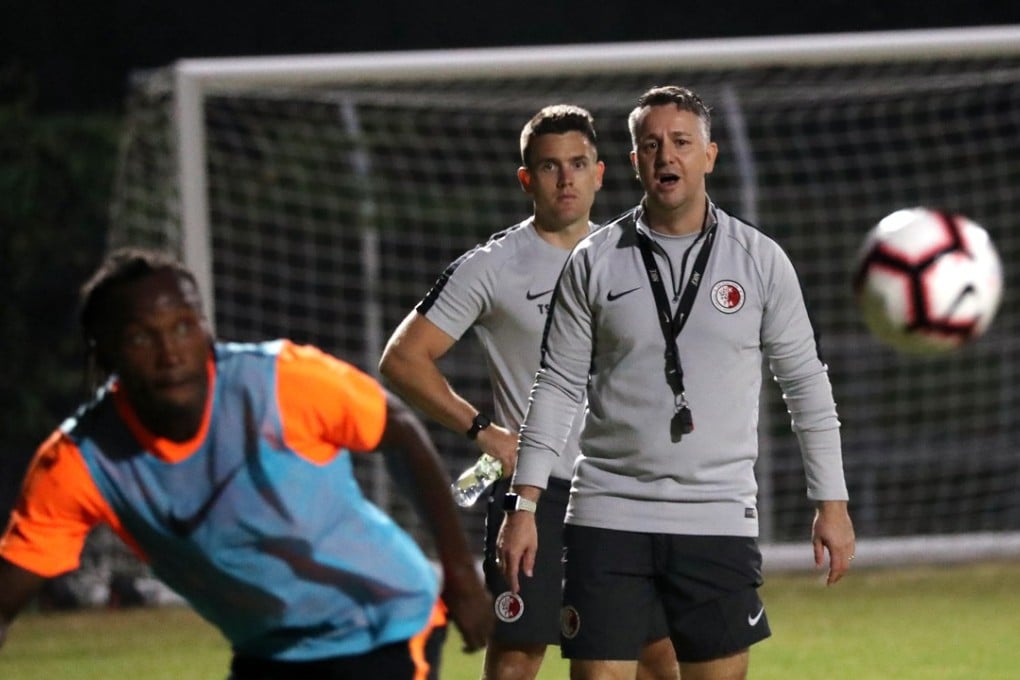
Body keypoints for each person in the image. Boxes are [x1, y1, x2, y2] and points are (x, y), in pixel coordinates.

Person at [498, 85, 857, 680]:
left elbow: (806, 387)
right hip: (608, 513)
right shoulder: (594, 259)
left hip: (716, 516)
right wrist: (525, 503)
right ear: (635, 162)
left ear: (710, 155)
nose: (667, 156)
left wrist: (833, 505)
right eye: (652, 145)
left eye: (682, 143)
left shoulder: (761, 261)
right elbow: (556, 386)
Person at [0, 248, 493, 679]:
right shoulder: (78, 463)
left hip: (381, 623)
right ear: (103, 355)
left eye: (184, 326)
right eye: (141, 338)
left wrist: (461, 576)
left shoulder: (282, 381)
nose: (171, 352)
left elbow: (400, 430)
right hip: (270, 652)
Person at [379, 105, 678, 679]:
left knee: (658, 655)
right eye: (549, 167)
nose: (566, 179)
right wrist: (485, 433)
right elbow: (403, 359)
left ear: (600, 172)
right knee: (518, 657)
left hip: (626, 489)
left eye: (577, 164)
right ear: (526, 179)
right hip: (538, 495)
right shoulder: (491, 267)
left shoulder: (637, 257)